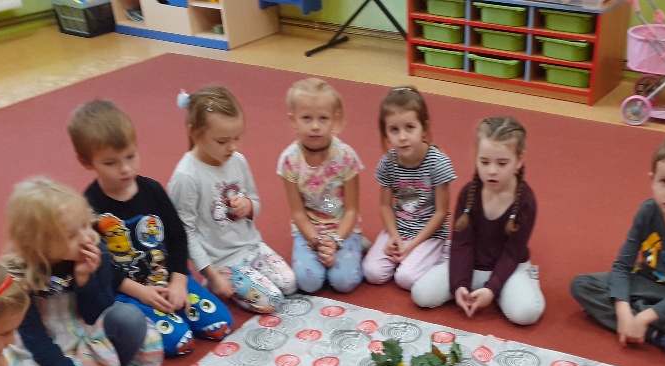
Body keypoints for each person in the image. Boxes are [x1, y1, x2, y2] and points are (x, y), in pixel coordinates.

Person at [0, 178, 163, 366]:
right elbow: (36, 341)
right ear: (39, 244)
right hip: (47, 348)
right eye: (72, 235)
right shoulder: (20, 277)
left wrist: (85, 280)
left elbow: (98, 313)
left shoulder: (95, 251)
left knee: (130, 319)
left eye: (87, 225)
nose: (88, 237)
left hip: (85, 330)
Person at [68, 99, 233, 356]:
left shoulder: (152, 190)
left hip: (169, 278)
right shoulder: (88, 207)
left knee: (221, 325)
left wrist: (178, 281)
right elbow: (102, 267)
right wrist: (141, 293)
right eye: (111, 163)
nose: (125, 169)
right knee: (179, 341)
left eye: (131, 156)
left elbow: (178, 237)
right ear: (86, 162)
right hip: (131, 292)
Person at [570, 130, 665, 358]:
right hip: (643, 281)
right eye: (664, 181)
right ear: (652, 180)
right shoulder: (647, 211)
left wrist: (643, 316)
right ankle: (655, 335)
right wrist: (624, 314)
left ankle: (634, 316)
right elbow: (622, 266)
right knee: (581, 285)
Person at [168, 85, 296, 314]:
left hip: (252, 247)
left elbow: (255, 200)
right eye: (222, 141)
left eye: (237, 138)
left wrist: (248, 206)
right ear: (195, 133)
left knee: (290, 283)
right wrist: (211, 274)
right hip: (222, 261)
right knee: (272, 301)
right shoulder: (186, 177)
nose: (232, 147)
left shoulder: (238, 161)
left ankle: (248, 275)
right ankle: (218, 281)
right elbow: (185, 233)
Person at [412, 116, 544, 325]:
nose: (492, 170)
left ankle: (518, 283)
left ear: (518, 161)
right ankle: (488, 291)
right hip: (471, 266)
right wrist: (459, 285)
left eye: (502, 163)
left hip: (508, 268)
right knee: (422, 295)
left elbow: (512, 252)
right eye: (484, 162)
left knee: (526, 313)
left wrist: (492, 289)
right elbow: (461, 243)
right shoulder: (469, 194)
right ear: (476, 158)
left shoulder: (525, 202)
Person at [277, 77, 364, 294]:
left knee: (343, 282)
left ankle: (357, 244)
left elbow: (351, 210)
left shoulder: (346, 156)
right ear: (293, 120)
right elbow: (298, 212)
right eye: (306, 118)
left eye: (323, 118)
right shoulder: (289, 161)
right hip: (309, 229)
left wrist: (335, 241)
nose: (315, 126)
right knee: (309, 282)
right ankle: (336, 252)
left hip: (342, 226)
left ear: (334, 120)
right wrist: (316, 241)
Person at [363, 86, 456, 290]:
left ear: (423, 128)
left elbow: (441, 213)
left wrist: (412, 245)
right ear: (386, 134)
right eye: (394, 130)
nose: (402, 137)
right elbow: (385, 206)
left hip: (428, 234)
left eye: (410, 127)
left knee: (405, 278)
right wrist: (394, 236)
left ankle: (443, 253)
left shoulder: (437, 163)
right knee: (372, 273)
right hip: (400, 229)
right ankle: (411, 255)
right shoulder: (388, 163)